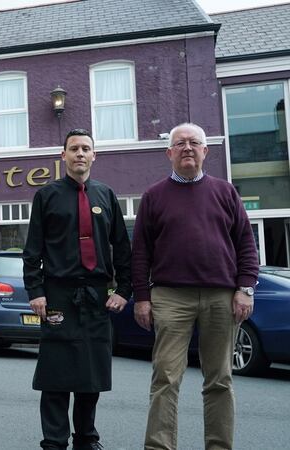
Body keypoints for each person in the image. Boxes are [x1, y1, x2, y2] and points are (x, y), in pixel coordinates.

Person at [131, 122, 259, 450]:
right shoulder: (153, 196)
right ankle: (159, 447)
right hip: (170, 296)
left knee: (219, 380)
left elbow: (245, 241)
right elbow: (141, 251)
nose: (187, 148)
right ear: (169, 153)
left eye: (194, 142)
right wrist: (142, 298)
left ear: (206, 151)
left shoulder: (226, 192)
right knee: (165, 379)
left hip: (221, 295)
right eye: (180, 143)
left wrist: (245, 288)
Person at [23, 128, 132, 450]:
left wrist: (123, 289)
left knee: (90, 371)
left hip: (97, 296)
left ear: (94, 155)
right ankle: (54, 442)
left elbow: (122, 247)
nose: (80, 154)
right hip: (57, 294)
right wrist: (35, 292)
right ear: (64, 156)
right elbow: (33, 251)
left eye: (86, 148)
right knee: (56, 371)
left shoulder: (106, 195)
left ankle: (87, 438)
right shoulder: (47, 196)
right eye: (74, 149)